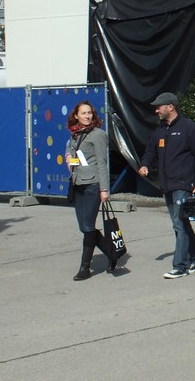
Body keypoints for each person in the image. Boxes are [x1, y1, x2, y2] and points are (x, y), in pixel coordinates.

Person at [139, 92, 195, 279]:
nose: (156, 110)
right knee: (182, 223)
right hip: (167, 185)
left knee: (179, 225)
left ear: (170, 107)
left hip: (183, 184)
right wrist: (145, 164)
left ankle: (180, 266)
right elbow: (150, 152)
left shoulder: (189, 128)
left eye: (159, 106)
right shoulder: (160, 131)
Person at [65, 101, 114, 280]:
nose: (87, 116)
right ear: (76, 116)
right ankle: (112, 252)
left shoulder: (98, 135)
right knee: (84, 227)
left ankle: (85, 268)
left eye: (89, 113)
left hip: (93, 185)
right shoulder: (75, 134)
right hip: (78, 185)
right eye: (83, 113)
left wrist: (104, 189)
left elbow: (102, 162)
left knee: (87, 226)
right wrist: (69, 158)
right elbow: (73, 157)